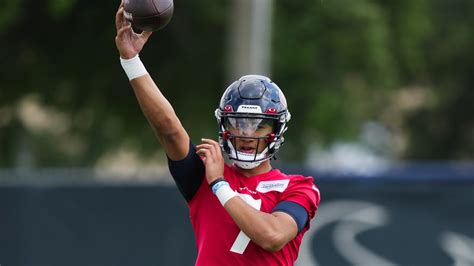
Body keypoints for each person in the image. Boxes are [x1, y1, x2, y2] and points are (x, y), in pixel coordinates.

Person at [115, 2, 320, 265]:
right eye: (238, 123)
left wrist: (220, 185)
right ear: (224, 126)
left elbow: (272, 235)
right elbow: (168, 129)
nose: (247, 134)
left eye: (259, 125)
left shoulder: (299, 187)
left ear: (277, 129)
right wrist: (131, 61)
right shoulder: (203, 174)